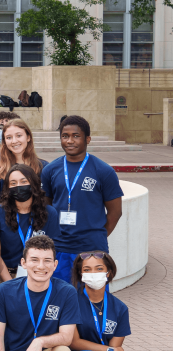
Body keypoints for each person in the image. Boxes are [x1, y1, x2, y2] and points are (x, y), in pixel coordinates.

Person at [40, 115, 124, 284]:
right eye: (65, 136)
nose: (70, 141)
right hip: (59, 248)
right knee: (60, 300)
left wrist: (95, 235)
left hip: (92, 249)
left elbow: (115, 212)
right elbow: (46, 208)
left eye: (76, 136)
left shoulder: (103, 171)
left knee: (93, 300)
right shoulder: (50, 170)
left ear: (88, 139)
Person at [0, 165, 60, 283]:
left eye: (24, 181)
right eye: (13, 183)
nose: (19, 186)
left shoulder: (50, 213)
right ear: (7, 188)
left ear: (34, 184)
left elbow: (50, 251)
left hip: (37, 272)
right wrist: (11, 285)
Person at [0, 118, 46, 210]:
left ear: (28, 137)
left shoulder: (43, 167)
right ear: (4, 141)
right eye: (9, 137)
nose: (14, 141)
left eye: (19, 135)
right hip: (7, 222)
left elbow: (47, 204)